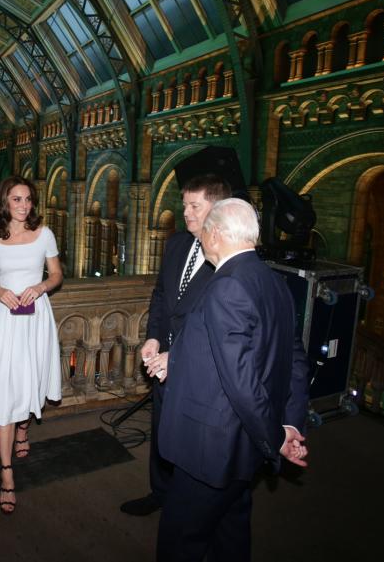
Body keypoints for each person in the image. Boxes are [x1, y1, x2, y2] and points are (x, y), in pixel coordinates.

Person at [155, 198, 310, 562]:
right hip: (243, 450)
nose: (203, 236)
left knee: (180, 543)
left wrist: (276, 437)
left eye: (207, 229)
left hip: (210, 448)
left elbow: (240, 380)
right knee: (230, 535)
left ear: (219, 234)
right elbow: (294, 362)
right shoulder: (276, 283)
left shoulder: (227, 286)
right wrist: (290, 423)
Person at [119, 173, 232, 516]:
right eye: (184, 205)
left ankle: (185, 506)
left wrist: (177, 356)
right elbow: (162, 295)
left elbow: (219, 331)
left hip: (199, 371)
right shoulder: (177, 244)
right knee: (161, 430)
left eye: (195, 206)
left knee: (192, 443)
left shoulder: (228, 260)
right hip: (162, 366)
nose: (186, 213)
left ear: (218, 209)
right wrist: (153, 335)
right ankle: (160, 492)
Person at [0, 176, 63, 514]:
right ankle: (7, 472)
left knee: (32, 377)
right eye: (16, 199)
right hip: (5, 318)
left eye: (27, 199)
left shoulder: (45, 235)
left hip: (36, 317)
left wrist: (40, 288)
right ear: (4, 202)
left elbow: (56, 275)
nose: (24, 205)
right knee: (3, 388)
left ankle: (24, 428)